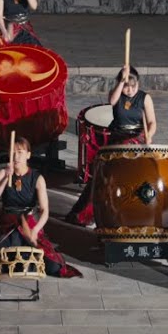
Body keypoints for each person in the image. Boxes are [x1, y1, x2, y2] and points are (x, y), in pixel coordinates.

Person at [0, 136, 81, 278]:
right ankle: (18, 260)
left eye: (20, 152)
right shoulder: (3, 173)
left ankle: (18, 260)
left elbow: (45, 211)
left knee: (53, 267)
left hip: (29, 223)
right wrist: (5, 177)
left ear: (28, 154)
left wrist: (35, 230)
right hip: (7, 223)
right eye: (13, 152)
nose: (16, 156)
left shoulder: (37, 178)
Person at [64, 65, 156, 226]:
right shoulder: (116, 95)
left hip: (137, 138)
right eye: (127, 86)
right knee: (103, 174)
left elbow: (152, 122)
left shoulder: (144, 98)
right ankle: (91, 211)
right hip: (117, 137)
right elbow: (111, 101)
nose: (130, 90)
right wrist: (122, 81)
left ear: (138, 84)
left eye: (133, 86)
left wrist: (150, 135)